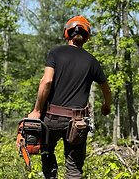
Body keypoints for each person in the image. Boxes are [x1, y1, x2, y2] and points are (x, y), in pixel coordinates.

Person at [28, 15, 112, 179]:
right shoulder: (92, 61)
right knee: (74, 170)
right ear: (86, 37)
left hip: (51, 118)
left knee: (47, 154)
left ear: (67, 33)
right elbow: (106, 89)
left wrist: (37, 110)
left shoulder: (55, 53)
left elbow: (47, 81)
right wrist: (106, 106)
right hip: (77, 123)